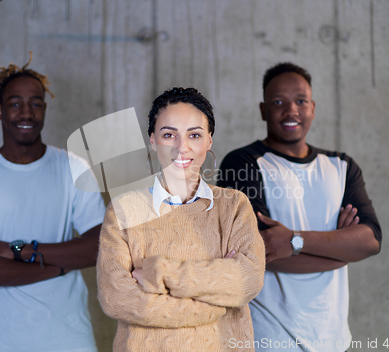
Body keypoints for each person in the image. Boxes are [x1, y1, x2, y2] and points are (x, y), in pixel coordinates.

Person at [218, 62, 382, 352]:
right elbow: (254, 254)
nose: (291, 110)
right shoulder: (243, 164)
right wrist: (341, 252)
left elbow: (370, 241)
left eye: (301, 101)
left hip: (333, 338)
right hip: (268, 339)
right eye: (278, 102)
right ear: (263, 110)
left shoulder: (342, 166)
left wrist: (293, 241)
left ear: (313, 107)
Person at [0, 53, 106, 352]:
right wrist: (59, 267)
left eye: (35, 103)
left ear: (44, 109)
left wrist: (19, 250)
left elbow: (101, 247)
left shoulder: (73, 167)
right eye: (15, 103)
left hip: (68, 337)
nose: (26, 113)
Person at [97, 87, 266, 352]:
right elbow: (116, 297)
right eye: (168, 135)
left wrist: (157, 273)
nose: (181, 147)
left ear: (209, 141)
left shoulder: (234, 206)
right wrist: (213, 301)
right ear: (152, 140)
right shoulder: (124, 210)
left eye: (194, 135)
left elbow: (247, 280)